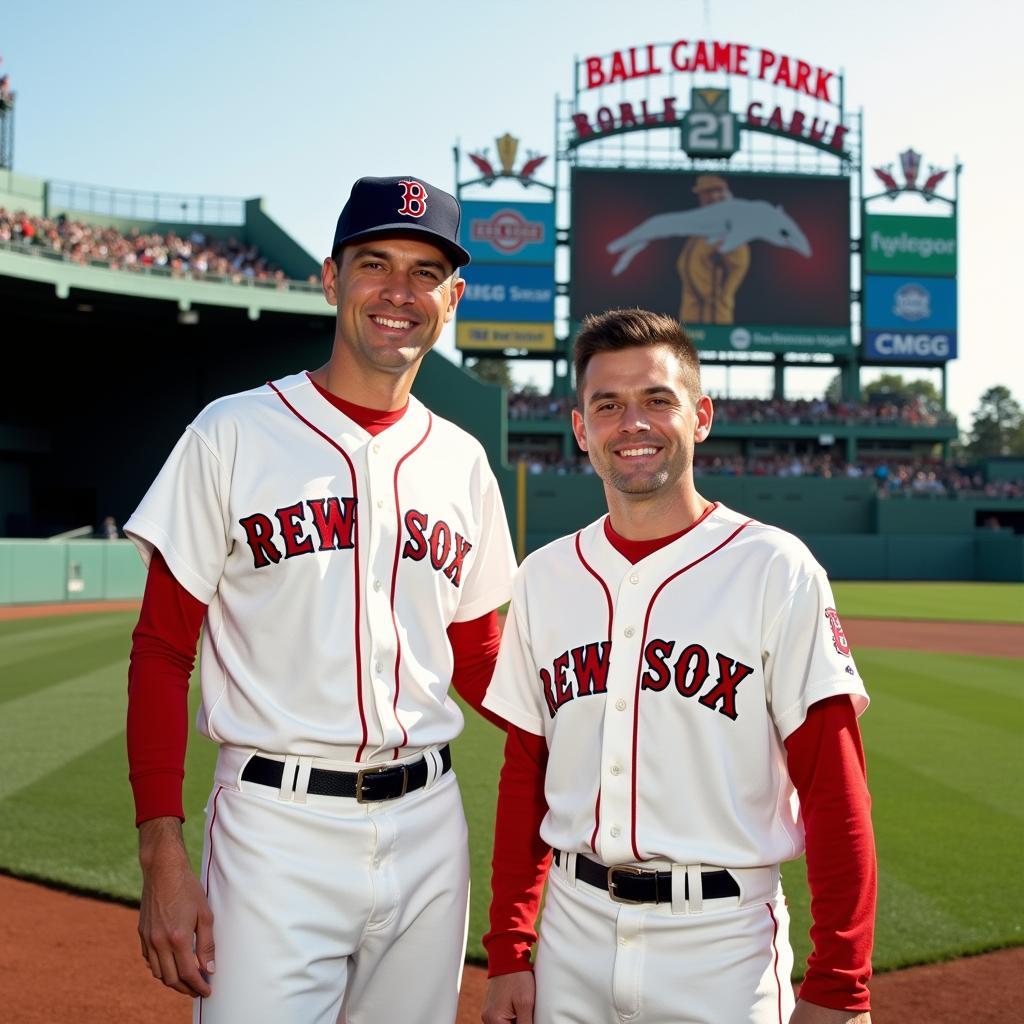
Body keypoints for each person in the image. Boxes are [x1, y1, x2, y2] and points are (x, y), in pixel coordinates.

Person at [124, 175, 516, 1024]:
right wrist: (161, 850)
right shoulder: (231, 432)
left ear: (453, 297)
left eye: (424, 271)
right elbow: (161, 649)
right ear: (332, 278)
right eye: (375, 263)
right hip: (274, 828)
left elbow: (481, 657)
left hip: (428, 829)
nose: (399, 292)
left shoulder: (463, 461)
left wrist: (588, 732)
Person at [481, 308, 875, 1024]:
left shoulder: (774, 567)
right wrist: (510, 948)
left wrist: (841, 982)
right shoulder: (543, 578)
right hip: (572, 939)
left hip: (723, 949)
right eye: (609, 405)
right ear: (581, 430)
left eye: (657, 400)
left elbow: (834, 784)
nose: (632, 423)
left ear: (700, 417)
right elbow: (523, 775)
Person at [677, 174, 751, 324]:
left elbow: (739, 262)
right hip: (691, 313)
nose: (704, 199)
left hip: (712, 314)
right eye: (703, 194)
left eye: (708, 193)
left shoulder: (728, 228)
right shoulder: (701, 231)